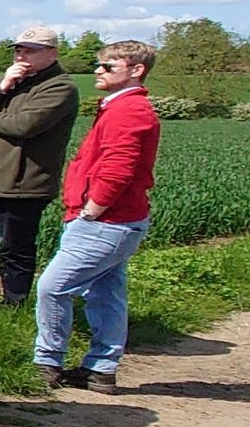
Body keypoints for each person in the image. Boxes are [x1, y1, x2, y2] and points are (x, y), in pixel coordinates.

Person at [34, 40, 162, 394]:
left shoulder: (129, 110)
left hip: (106, 222)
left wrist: (92, 209)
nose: (98, 71)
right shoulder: (121, 107)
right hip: (118, 221)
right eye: (99, 65)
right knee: (107, 293)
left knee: (52, 288)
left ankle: (47, 363)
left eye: (108, 67)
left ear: (136, 71)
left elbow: (119, 167)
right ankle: (101, 371)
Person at [0, 24, 79, 306]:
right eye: (19, 51)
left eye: (31, 52)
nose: (22, 57)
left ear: (52, 54)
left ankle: (15, 306)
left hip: (23, 185)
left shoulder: (60, 88)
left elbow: (23, 125)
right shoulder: (13, 81)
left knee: (15, 251)